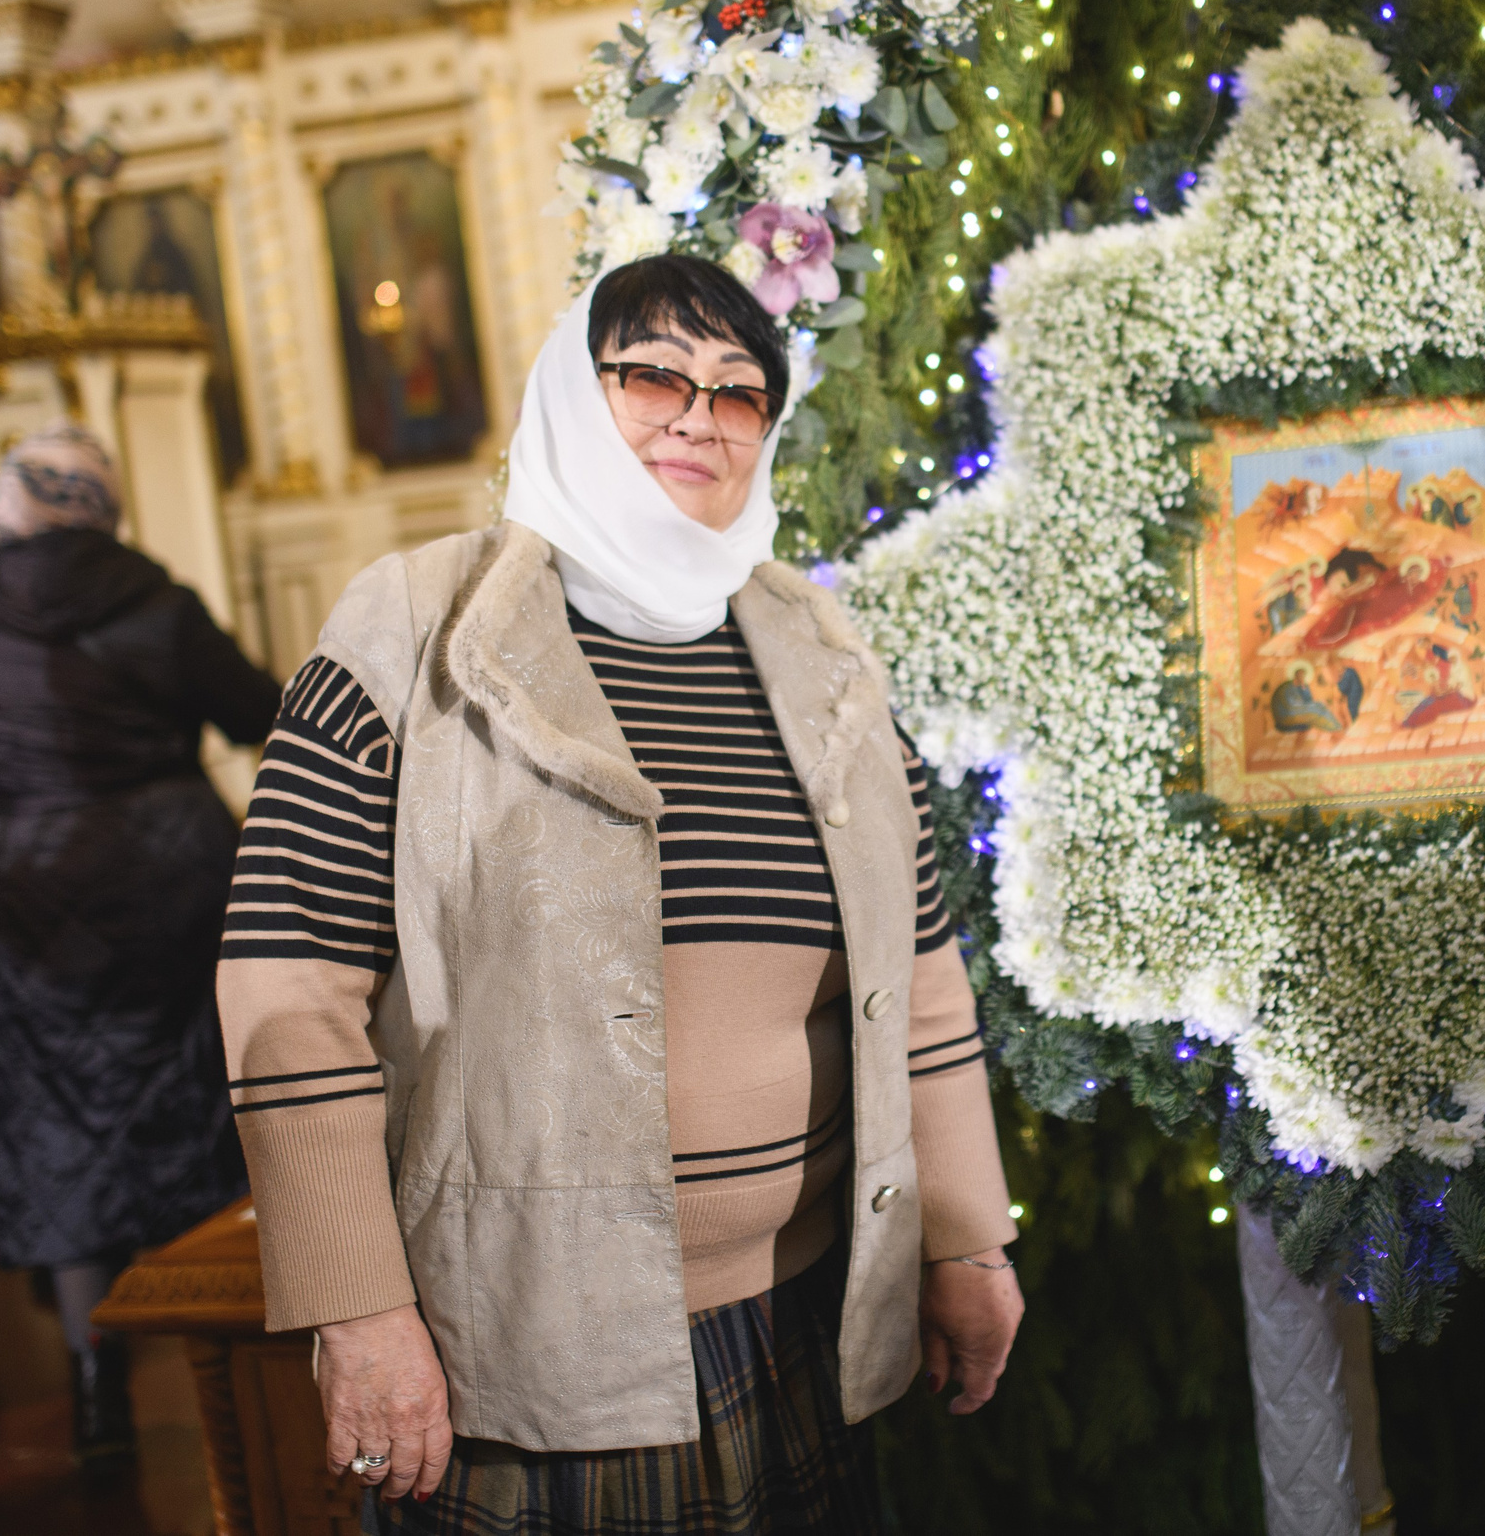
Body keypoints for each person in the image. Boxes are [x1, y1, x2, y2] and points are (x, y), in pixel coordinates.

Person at [216, 253, 1023, 1534]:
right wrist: (357, 1309)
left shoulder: (819, 646)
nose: (698, 414)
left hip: (800, 1326)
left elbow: (918, 974)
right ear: (575, 397)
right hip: (521, 1349)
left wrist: (967, 1241)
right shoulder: (412, 626)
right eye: (652, 373)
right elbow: (287, 989)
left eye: (739, 391)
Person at [0, 426, 280, 1472]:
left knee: (59, 1125)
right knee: (204, 1099)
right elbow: (262, 708)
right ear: (104, 500)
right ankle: (253, 1368)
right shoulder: (157, 601)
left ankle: (96, 1390)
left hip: (33, 883)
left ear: (11, 508)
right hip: (171, 872)